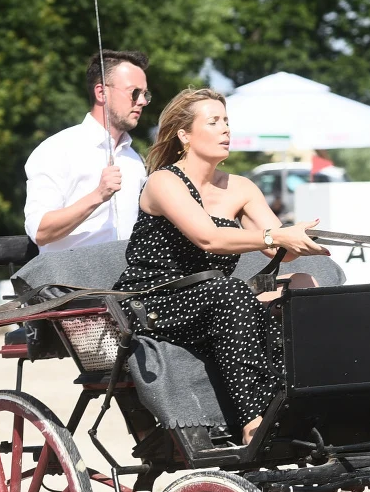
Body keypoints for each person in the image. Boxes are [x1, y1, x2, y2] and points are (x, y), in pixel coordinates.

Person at [115, 88, 326, 445]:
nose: (226, 129)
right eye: (213, 122)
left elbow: (280, 249)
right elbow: (209, 238)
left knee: (302, 283)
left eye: (226, 121)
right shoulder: (164, 181)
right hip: (156, 300)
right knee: (229, 291)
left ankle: (310, 398)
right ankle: (253, 419)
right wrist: (276, 236)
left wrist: (297, 237)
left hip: (213, 297)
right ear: (184, 135)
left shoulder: (241, 187)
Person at [24, 50, 152, 252]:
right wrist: (98, 195)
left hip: (126, 272)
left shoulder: (134, 160)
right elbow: (40, 231)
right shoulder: (56, 150)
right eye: (134, 92)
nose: (142, 101)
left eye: (145, 94)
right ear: (101, 93)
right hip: (71, 272)